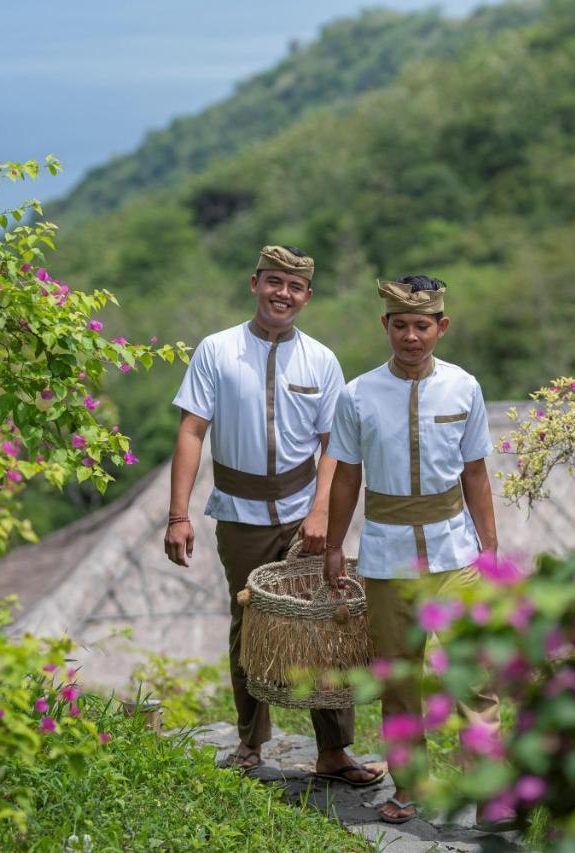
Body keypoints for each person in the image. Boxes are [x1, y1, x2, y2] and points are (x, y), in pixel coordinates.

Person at [164, 244, 382, 786]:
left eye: (294, 286)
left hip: (302, 511)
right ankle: (249, 742)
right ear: (254, 283)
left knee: (325, 626)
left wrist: (318, 513)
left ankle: (333, 752)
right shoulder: (217, 350)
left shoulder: (321, 360)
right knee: (248, 622)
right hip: (237, 513)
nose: (282, 293)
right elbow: (192, 431)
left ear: (307, 295)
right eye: (273, 282)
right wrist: (178, 515)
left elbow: (335, 446)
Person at [322, 275, 501, 825]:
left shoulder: (464, 388)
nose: (411, 336)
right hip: (385, 556)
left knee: (475, 678)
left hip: (456, 555)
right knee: (399, 679)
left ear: (440, 327)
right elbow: (347, 477)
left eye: (422, 325)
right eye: (400, 325)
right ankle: (411, 786)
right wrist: (334, 546)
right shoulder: (357, 395)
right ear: (386, 326)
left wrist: (490, 551)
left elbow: (475, 473)